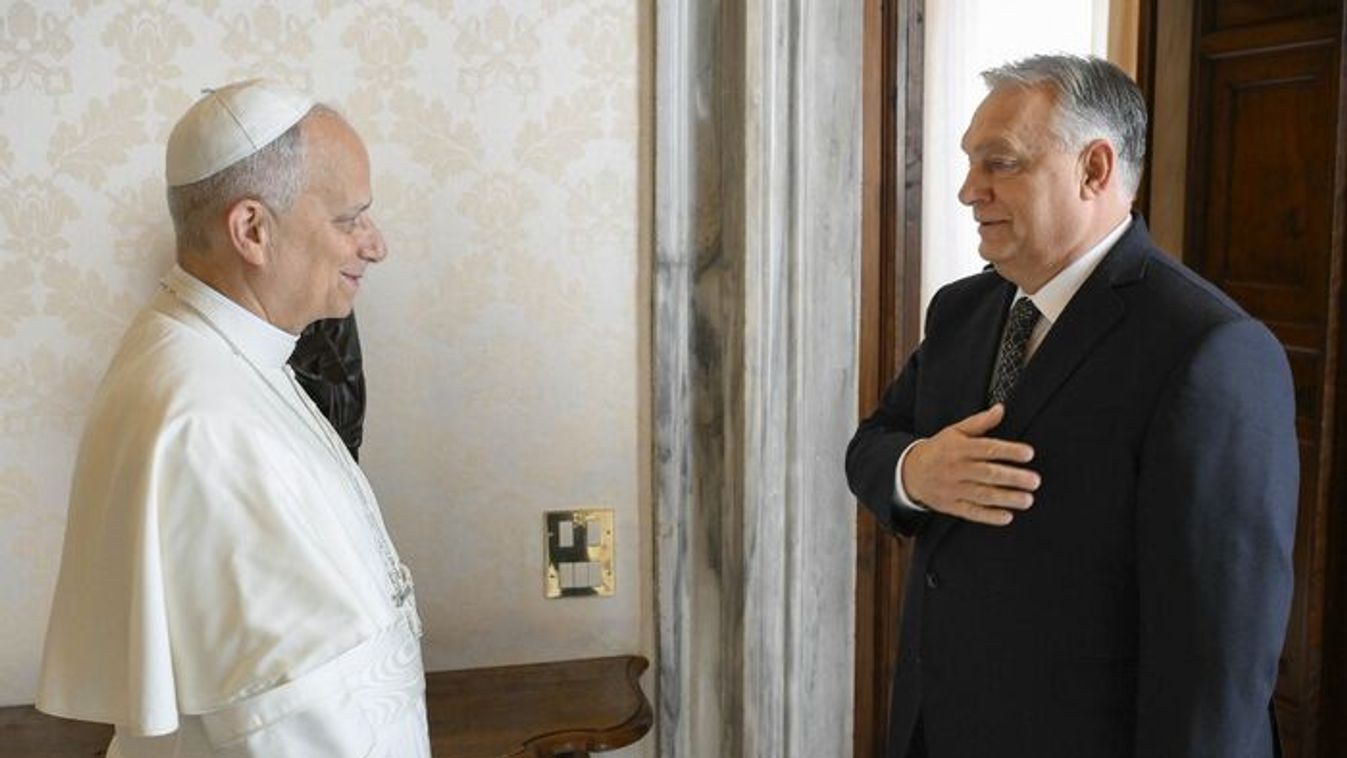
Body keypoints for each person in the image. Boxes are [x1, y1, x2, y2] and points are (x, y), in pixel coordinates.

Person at [846, 55, 1298, 758]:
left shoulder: (1211, 347)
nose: (969, 190)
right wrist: (915, 469)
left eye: (999, 163)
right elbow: (872, 443)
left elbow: (1219, 651)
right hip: (937, 727)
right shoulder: (960, 308)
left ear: (1093, 169)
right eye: (970, 162)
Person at [35, 79, 430, 757]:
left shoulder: (210, 350)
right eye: (348, 219)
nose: (374, 244)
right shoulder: (211, 427)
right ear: (252, 229)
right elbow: (293, 726)